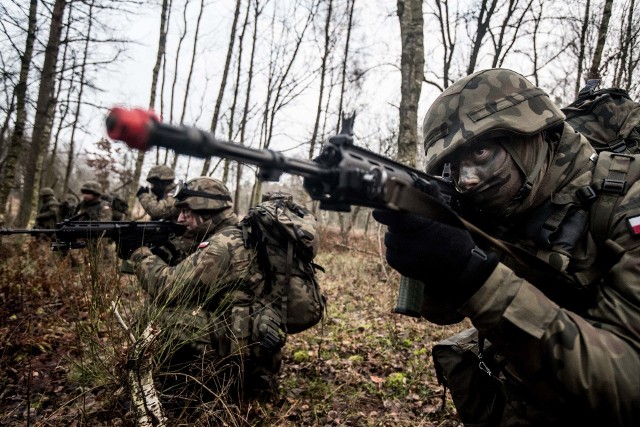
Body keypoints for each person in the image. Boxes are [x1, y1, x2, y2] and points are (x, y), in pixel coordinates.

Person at [373, 68, 640, 426]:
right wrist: (431, 259)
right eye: (452, 166)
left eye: (481, 152)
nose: (466, 179)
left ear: (533, 132)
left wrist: (474, 276)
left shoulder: (628, 199)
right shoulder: (503, 202)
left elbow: (629, 386)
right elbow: (443, 313)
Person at [117, 177, 284, 404]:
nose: (180, 218)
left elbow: (167, 288)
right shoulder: (234, 232)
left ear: (206, 209)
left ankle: (181, 391)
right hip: (252, 334)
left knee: (156, 315)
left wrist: (140, 254)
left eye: (186, 211)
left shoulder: (222, 245)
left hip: (245, 343)